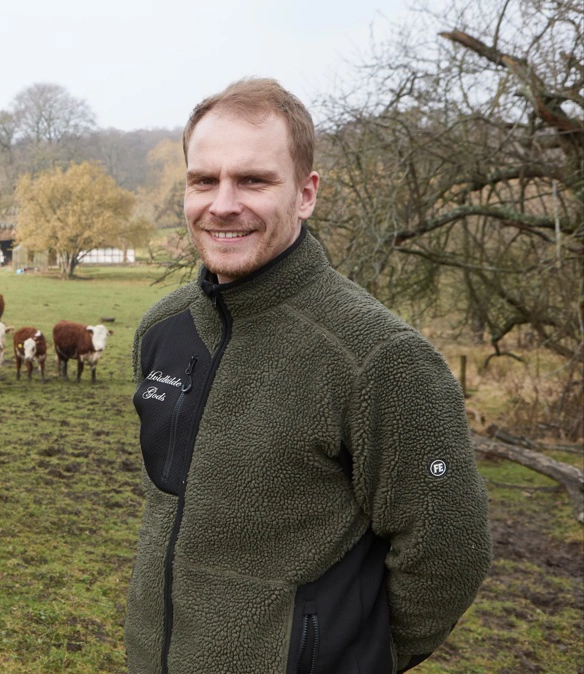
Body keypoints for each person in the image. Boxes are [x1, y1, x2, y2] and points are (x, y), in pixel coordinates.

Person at [125, 78, 492, 674]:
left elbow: (449, 550)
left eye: (253, 180)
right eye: (204, 180)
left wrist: (347, 655)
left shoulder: (380, 359)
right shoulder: (162, 329)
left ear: (305, 193)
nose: (222, 204)